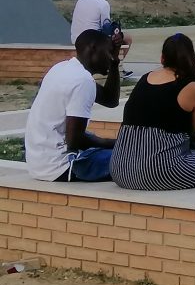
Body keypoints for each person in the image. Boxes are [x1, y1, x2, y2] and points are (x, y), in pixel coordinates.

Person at [110, 33, 195, 190]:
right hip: (154, 173)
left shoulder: (145, 79)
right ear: (191, 58)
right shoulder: (193, 87)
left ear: (162, 58)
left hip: (120, 170)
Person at [24, 29, 128, 182]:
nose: (110, 57)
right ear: (93, 49)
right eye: (108, 52)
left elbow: (110, 100)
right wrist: (115, 144)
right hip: (62, 165)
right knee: (136, 159)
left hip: (38, 163)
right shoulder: (82, 81)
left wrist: (114, 63)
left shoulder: (61, 68)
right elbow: (75, 141)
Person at [70, 0, 133, 77]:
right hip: (91, 40)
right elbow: (106, 28)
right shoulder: (103, 4)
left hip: (75, 38)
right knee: (127, 38)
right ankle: (116, 67)